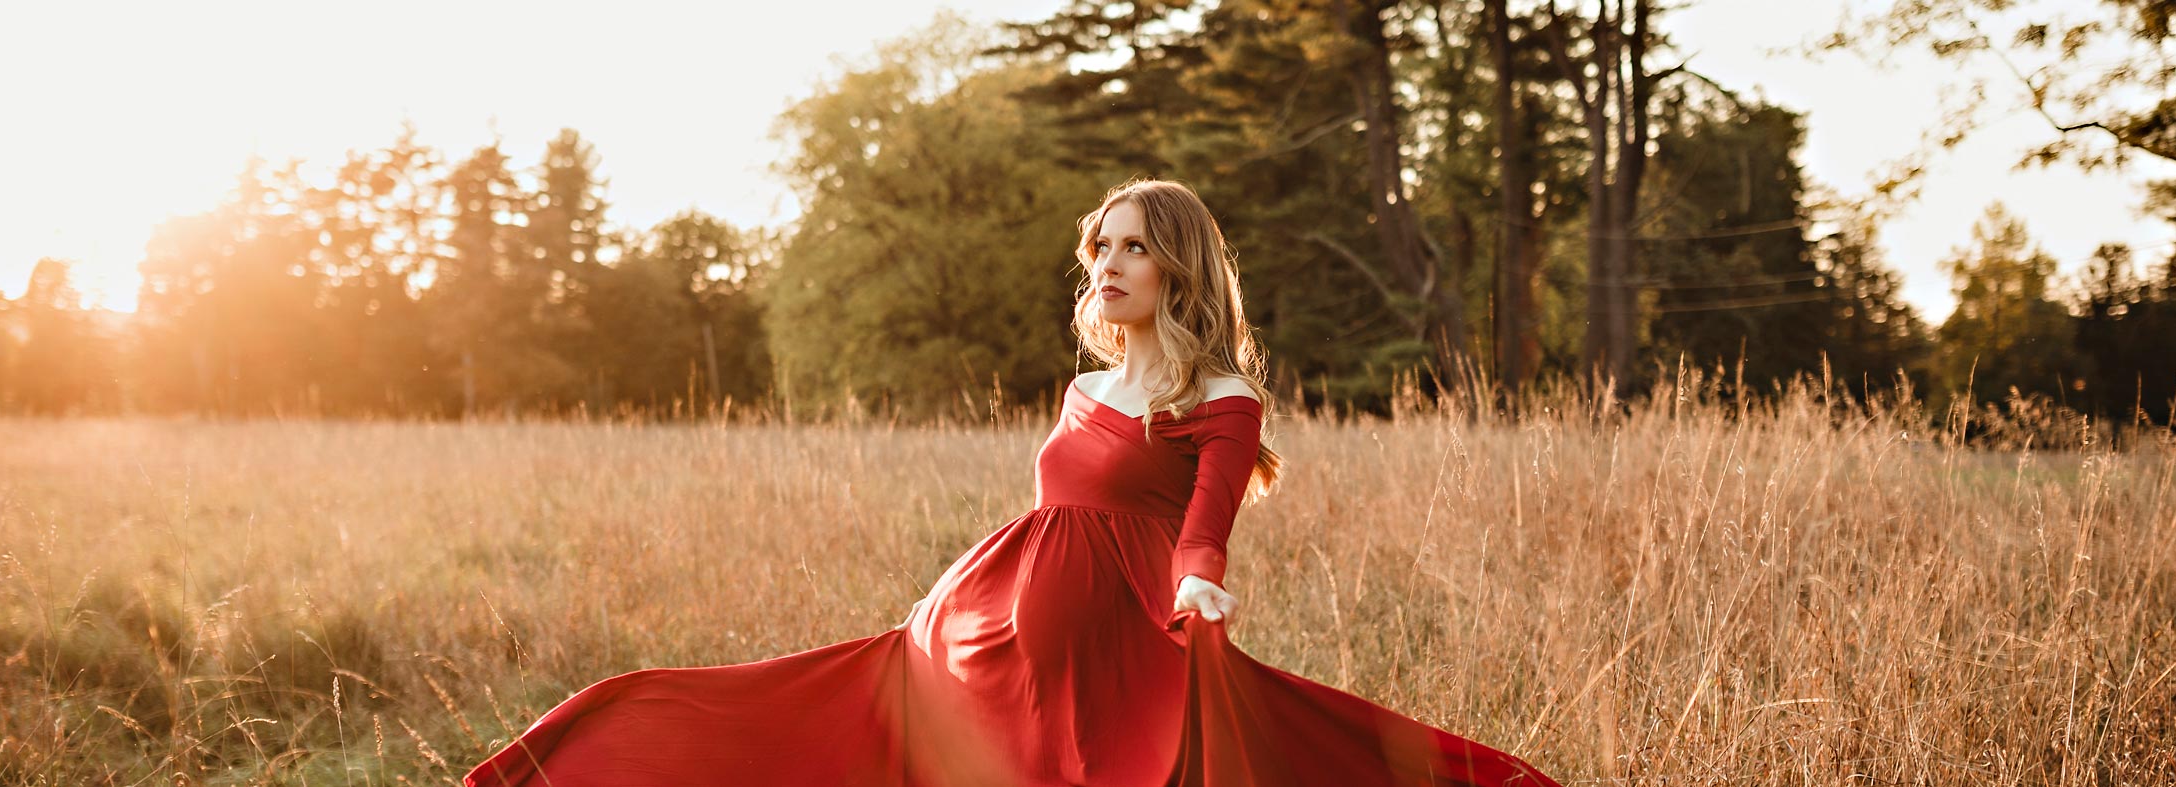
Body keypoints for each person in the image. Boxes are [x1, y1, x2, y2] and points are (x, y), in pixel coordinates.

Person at [463, 179, 1561, 787]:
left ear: (1177, 260)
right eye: (1100, 248)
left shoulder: (1222, 394)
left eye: (1132, 247)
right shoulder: (1084, 390)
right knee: (814, 722)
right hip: (988, 629)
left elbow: (1205, 520)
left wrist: (1201, 581)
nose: (1109, 265)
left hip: (1131, 637)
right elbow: (1051, 511)